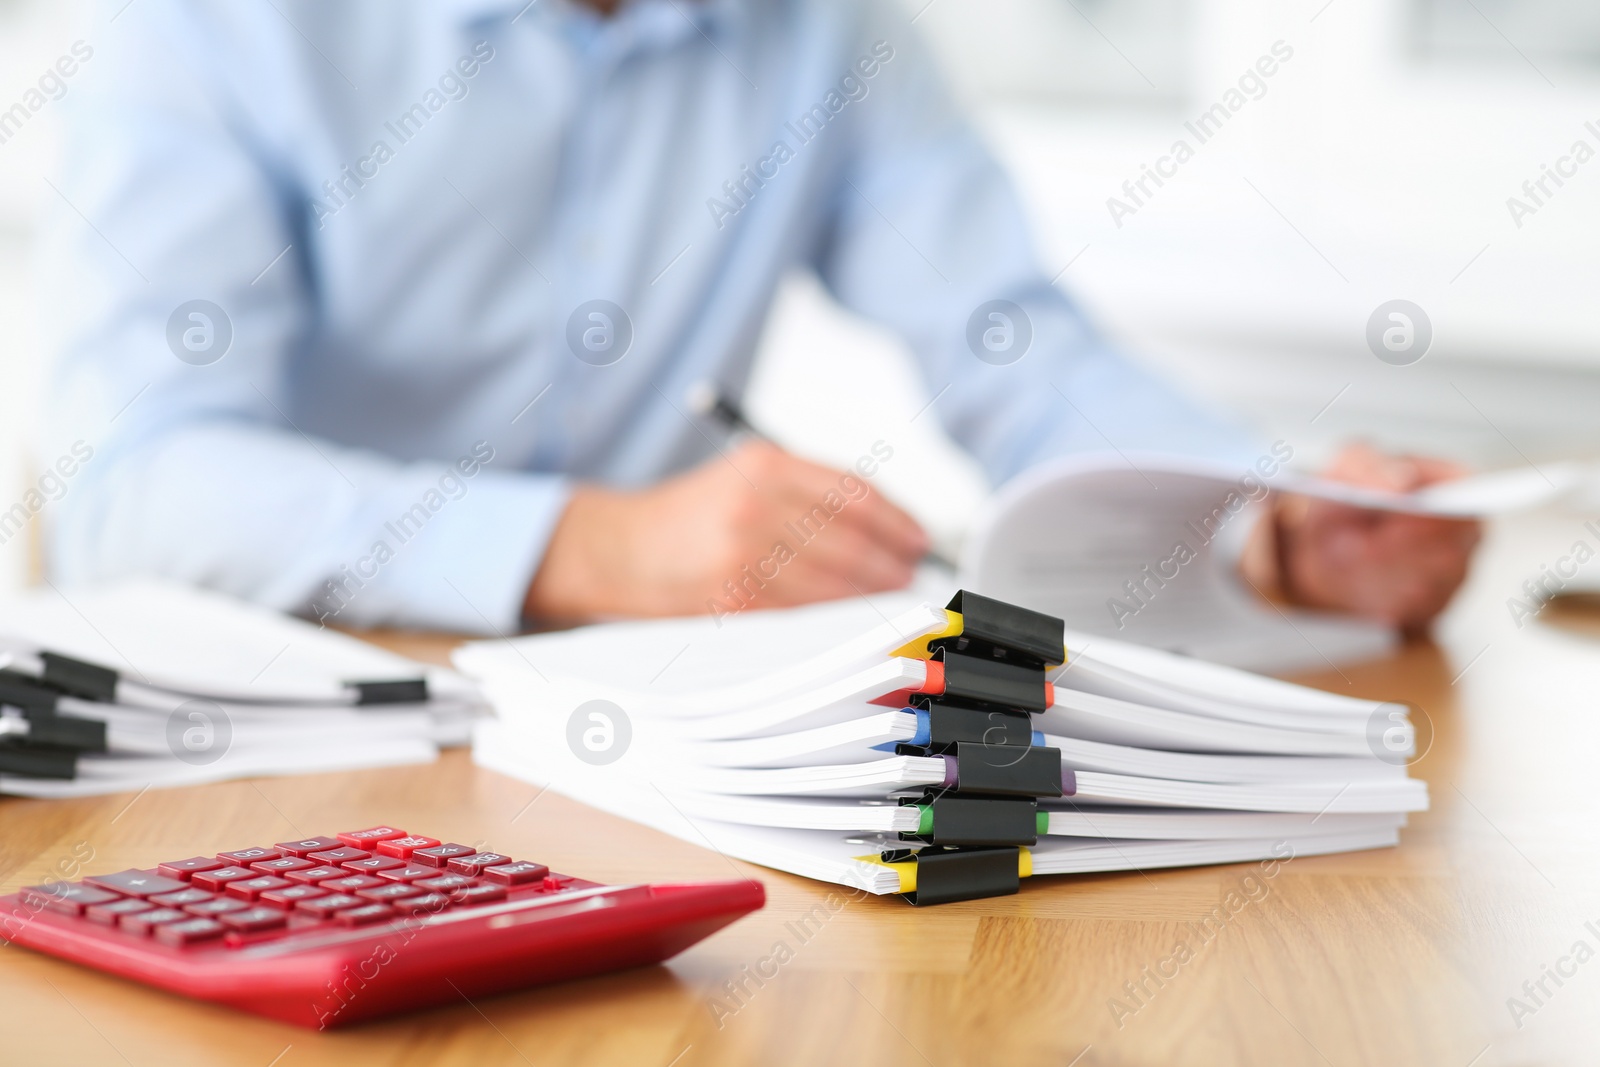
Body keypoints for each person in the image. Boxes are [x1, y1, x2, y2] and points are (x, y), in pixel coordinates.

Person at [40, 0, 1477, 635]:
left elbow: (1013, 349)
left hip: (627, 743)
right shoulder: (203, 23)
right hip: (250, 751)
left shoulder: (828, 30)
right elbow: (131, 484)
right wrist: (589, 543)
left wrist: (1265, 522)